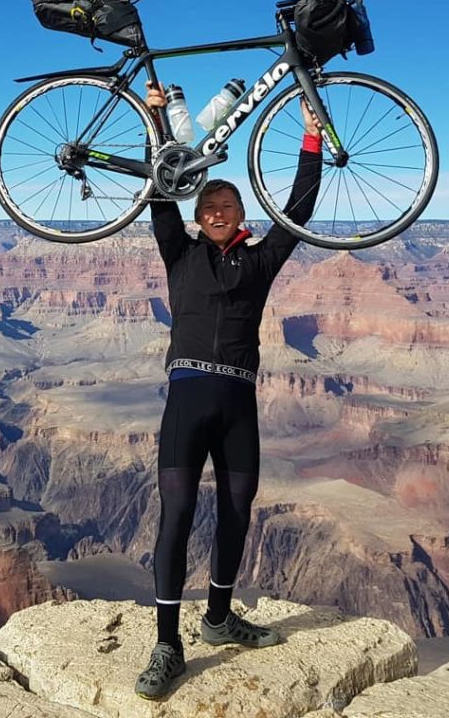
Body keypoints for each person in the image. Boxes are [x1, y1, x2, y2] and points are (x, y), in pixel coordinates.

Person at [134, 80, 322, 700]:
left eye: (229, 207)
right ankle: (167, 644)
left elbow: (300, 206)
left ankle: (218, 619)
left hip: (239, 403)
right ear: (197, 217)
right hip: (187, 401)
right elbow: (163, 181)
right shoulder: (177, 252)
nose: (218, 214)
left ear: (242, 215)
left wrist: (311, 134)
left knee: (237, 514)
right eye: (209, 208)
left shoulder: (262, 260)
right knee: (178, 516)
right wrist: (157, 120)